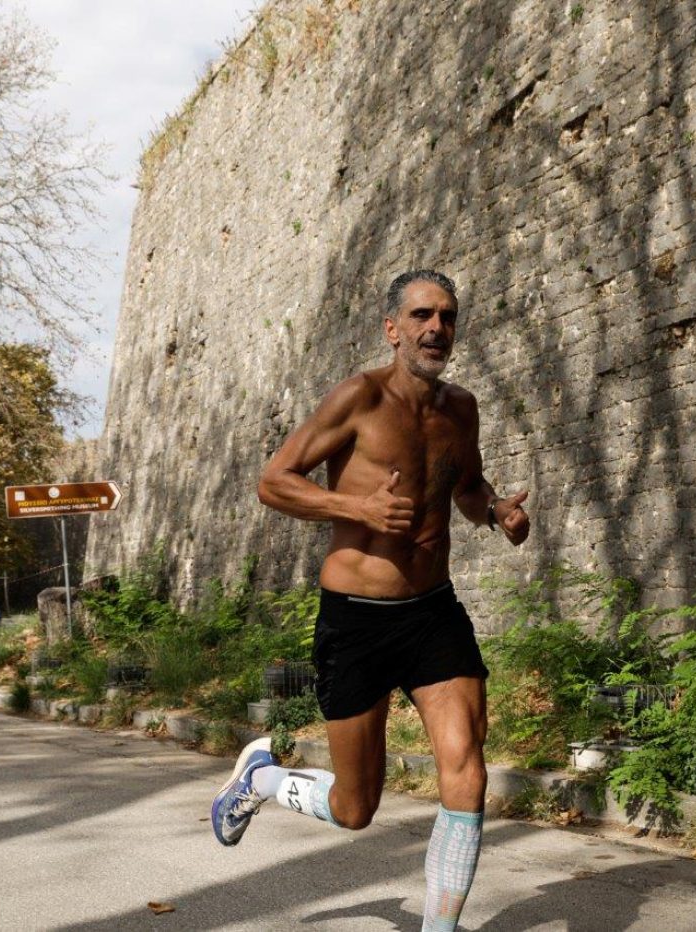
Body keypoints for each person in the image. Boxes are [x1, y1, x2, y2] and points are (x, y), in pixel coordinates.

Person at [212, 269, 530, 931]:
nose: (436, 328)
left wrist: (495, 510)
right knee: (356, 809)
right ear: (392, 329)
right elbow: (274, 481)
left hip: (432, 612)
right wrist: (357, 507)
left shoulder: (461, 409)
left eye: (447, 316)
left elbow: (466, 486)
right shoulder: (359, 397)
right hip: (356, 619)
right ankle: (260, 780)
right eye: (421, 315)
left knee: (467, 771)